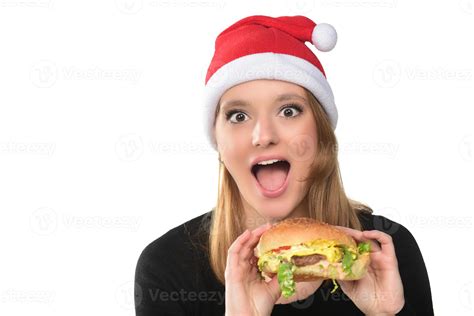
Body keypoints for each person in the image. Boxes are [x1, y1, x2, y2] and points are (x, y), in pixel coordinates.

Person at [134, 15, 434, 315]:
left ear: (321, 134)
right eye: (238, 116)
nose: (263, 136)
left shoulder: (385, 252)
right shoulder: (167, 266)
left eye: (289, 110)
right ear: (219, 143)